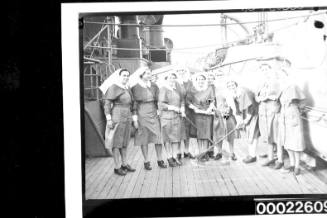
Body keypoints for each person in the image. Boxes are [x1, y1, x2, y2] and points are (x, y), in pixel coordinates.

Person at [130, 67, 167, 170]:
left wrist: (159, 110)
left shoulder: (154, 86)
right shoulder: (135, 87)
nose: (149, 75)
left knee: (158, 137)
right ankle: (146, 161)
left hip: (154, 112)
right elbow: (134, 104)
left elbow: (158, 100)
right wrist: (135, 119)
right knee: (144, 138)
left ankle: (160, 159)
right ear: (141, 75)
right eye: (147, 73)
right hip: (142, 113)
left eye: (150, 73)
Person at [102, 68, 136, 176]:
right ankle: (117, 167)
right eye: (124, 75)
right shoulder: (114, 87)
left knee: (124, 141)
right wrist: (108, 119)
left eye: (127, 75)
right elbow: (107, 104)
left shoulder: (127, 88)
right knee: (116, 143)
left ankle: (124, 164)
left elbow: (132, 103)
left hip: (127, 116)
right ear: (119, 76)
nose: (126, 77)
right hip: (117, 115)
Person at [278, 70, 306, 175]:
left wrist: (297, 110)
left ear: (287, 75)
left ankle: (297, 167)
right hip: (284, 116)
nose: (281, 78)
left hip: (293, 115)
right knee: (287, 142)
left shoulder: (293, 86)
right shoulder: (282, 88)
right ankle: (292, 164)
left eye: (283, 76)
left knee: (296, 142)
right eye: (279, 76)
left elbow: (303, 101)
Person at [256, 63, 283, 168]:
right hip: (264, 112)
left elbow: (278, 96)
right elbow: (256, 96)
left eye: (266, 69)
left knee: (277, 136)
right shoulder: (261, 83)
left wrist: (269, 97)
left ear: (270, 70)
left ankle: (280, 160)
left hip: (273, 112)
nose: (264, 71)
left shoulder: (276, 82)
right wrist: (259, 99)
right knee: (268, 136)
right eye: (262, 70)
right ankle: (271, 158)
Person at [226, 79, 260, 163]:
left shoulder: (244, 92)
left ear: (236, 85)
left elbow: (251, 107)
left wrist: (246, 120)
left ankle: (253, 156)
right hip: (246, 115)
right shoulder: (233, 95)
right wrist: (239, 121)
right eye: (229, 86)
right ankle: (251, 154)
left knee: (253, 135)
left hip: (253, 114)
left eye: (232, 85)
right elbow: (236, 110)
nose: (231, 87)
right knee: (249, 135)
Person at [158, 72, 185, 167]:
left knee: (176, 138)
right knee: (167, 138)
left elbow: (182, 100)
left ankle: (174, 157)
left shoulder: (177, 89)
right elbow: (161, 104)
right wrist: (173, 108)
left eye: (174, 78)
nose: (172, 79)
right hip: (166, 117)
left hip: (177, 117)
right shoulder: (163, 89)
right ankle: (169, 157)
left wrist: (182, 108)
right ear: (166, 79)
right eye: (170, 77)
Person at [187, 73, 215, 162]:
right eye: (199, 79)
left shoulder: (209, 89)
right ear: (196, 80)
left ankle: (205, 152)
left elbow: (211, 100)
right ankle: (200, 153)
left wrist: (210, 108)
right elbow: (188, 101)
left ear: (205, 80)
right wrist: (195, 108)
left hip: (207, 114)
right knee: (200, 133)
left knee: (206, 133)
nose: (200, 81)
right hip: (197, 114)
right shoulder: (192, 90)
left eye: (202, 79)